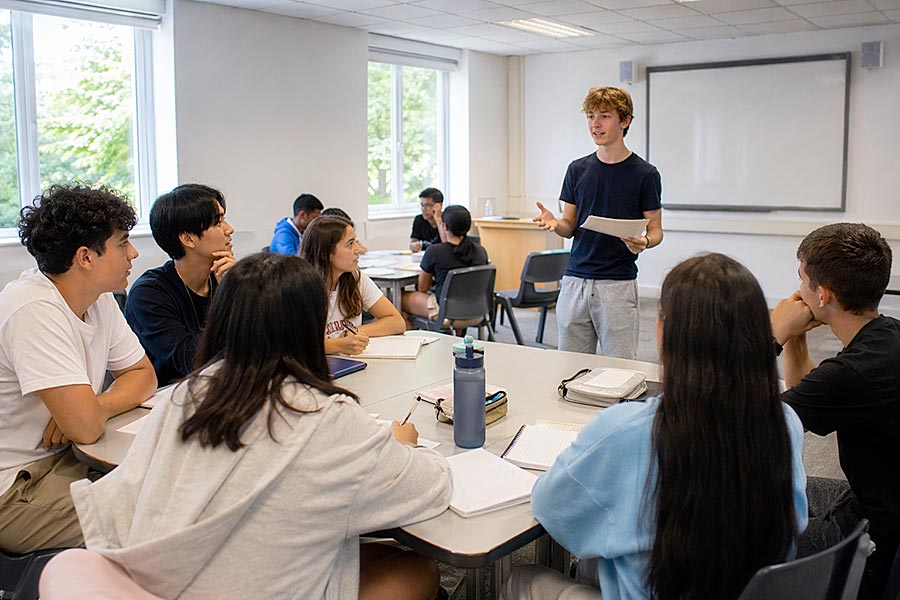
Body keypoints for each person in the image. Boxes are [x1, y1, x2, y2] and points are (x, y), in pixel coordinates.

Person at [69, 253, 452, 599]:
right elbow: (434, 488)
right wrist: (401, 446)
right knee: (416, 569)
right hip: (245, 581)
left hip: (164, 578)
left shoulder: (184, 396)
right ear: (310, 328)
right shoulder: (327, 418)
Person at [505, 253, 808, 600]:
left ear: (664, 332)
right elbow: (795, 525)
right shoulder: (786, 424)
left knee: (521, 579)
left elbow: (551, 509)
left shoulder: (627, 430)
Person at [0, 183, 157, 553]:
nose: (133, 253)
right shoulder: (32, 308)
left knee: (167, 487)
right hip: (15, 486)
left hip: (64, 460)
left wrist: (95, 405)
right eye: (122, 243)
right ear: (85, 257)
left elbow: (143, 375)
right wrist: (84, 415)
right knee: (157, 514)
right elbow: (84, 429)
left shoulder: (99, 300)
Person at [770, 222, 900, 600]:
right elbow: (810, 396)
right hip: (881, 500)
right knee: (791, 488)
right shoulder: (885, 336)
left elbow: (750, 424)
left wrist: (773, 335)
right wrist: (796, 339)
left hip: (872, 537)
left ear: (822, 295)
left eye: (801, 280)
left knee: (741, 528)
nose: (797, 292)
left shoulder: (852, 373)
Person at [533, 86, 662, 359]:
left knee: (621, 370)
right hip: (574, 281)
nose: (595, 124)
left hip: (617, 284)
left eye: (604, 116)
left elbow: (656, 230)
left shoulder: (645, 174)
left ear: (625, 121)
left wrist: (644, 242)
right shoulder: (577, 169)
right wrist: (555, 223)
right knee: (570, 367)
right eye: (591, 116)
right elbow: (570, 226)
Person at [125, 184, 236, 387]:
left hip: (223, 391)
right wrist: (230, 297)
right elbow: (193, 362)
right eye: (218, 222)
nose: (229, 229)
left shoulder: (223, 276)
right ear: (188, 238)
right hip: (166, 402)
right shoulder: (148, 294)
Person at [302, 216, 406, 355]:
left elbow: (397, 322)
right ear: (325, 254)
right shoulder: (302, 288)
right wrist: (339, 345)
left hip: (349, 364)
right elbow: (296, 346)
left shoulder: (355, 277)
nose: (357, 250)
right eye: (350, 244)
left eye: (355, 241)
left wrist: (353, 332)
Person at [401, 205, 488, 324]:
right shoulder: (480, 251)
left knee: (399, 299)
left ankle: (415, 339)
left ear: (445, 226)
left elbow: (422, 288)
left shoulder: (434, 251)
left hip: (447, 314)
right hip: (477, 312)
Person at [409, 188, 445, 253]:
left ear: (439, 206)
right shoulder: (419, 219)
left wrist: (437, 218)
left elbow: (447, 246)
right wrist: (414, 246)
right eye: (422, 205)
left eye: (428, 205)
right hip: (426, 257)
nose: (423, 209)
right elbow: (413, 242)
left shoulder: (447, 219)